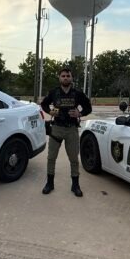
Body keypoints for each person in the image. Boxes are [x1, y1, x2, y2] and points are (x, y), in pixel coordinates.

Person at [40, 67, 92, 197]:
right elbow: (44, 104)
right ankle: (50, 183)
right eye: (63, 76)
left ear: (71, 78)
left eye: (68, 76)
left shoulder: (78, 93)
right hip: (56, 128)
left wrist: (79, 113)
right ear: (59, 78)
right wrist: (50, 111)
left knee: (74, 158)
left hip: (71, 129)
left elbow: (88, 107)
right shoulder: (54, 92)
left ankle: (75, 185)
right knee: (51, 157)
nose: (65, 78)